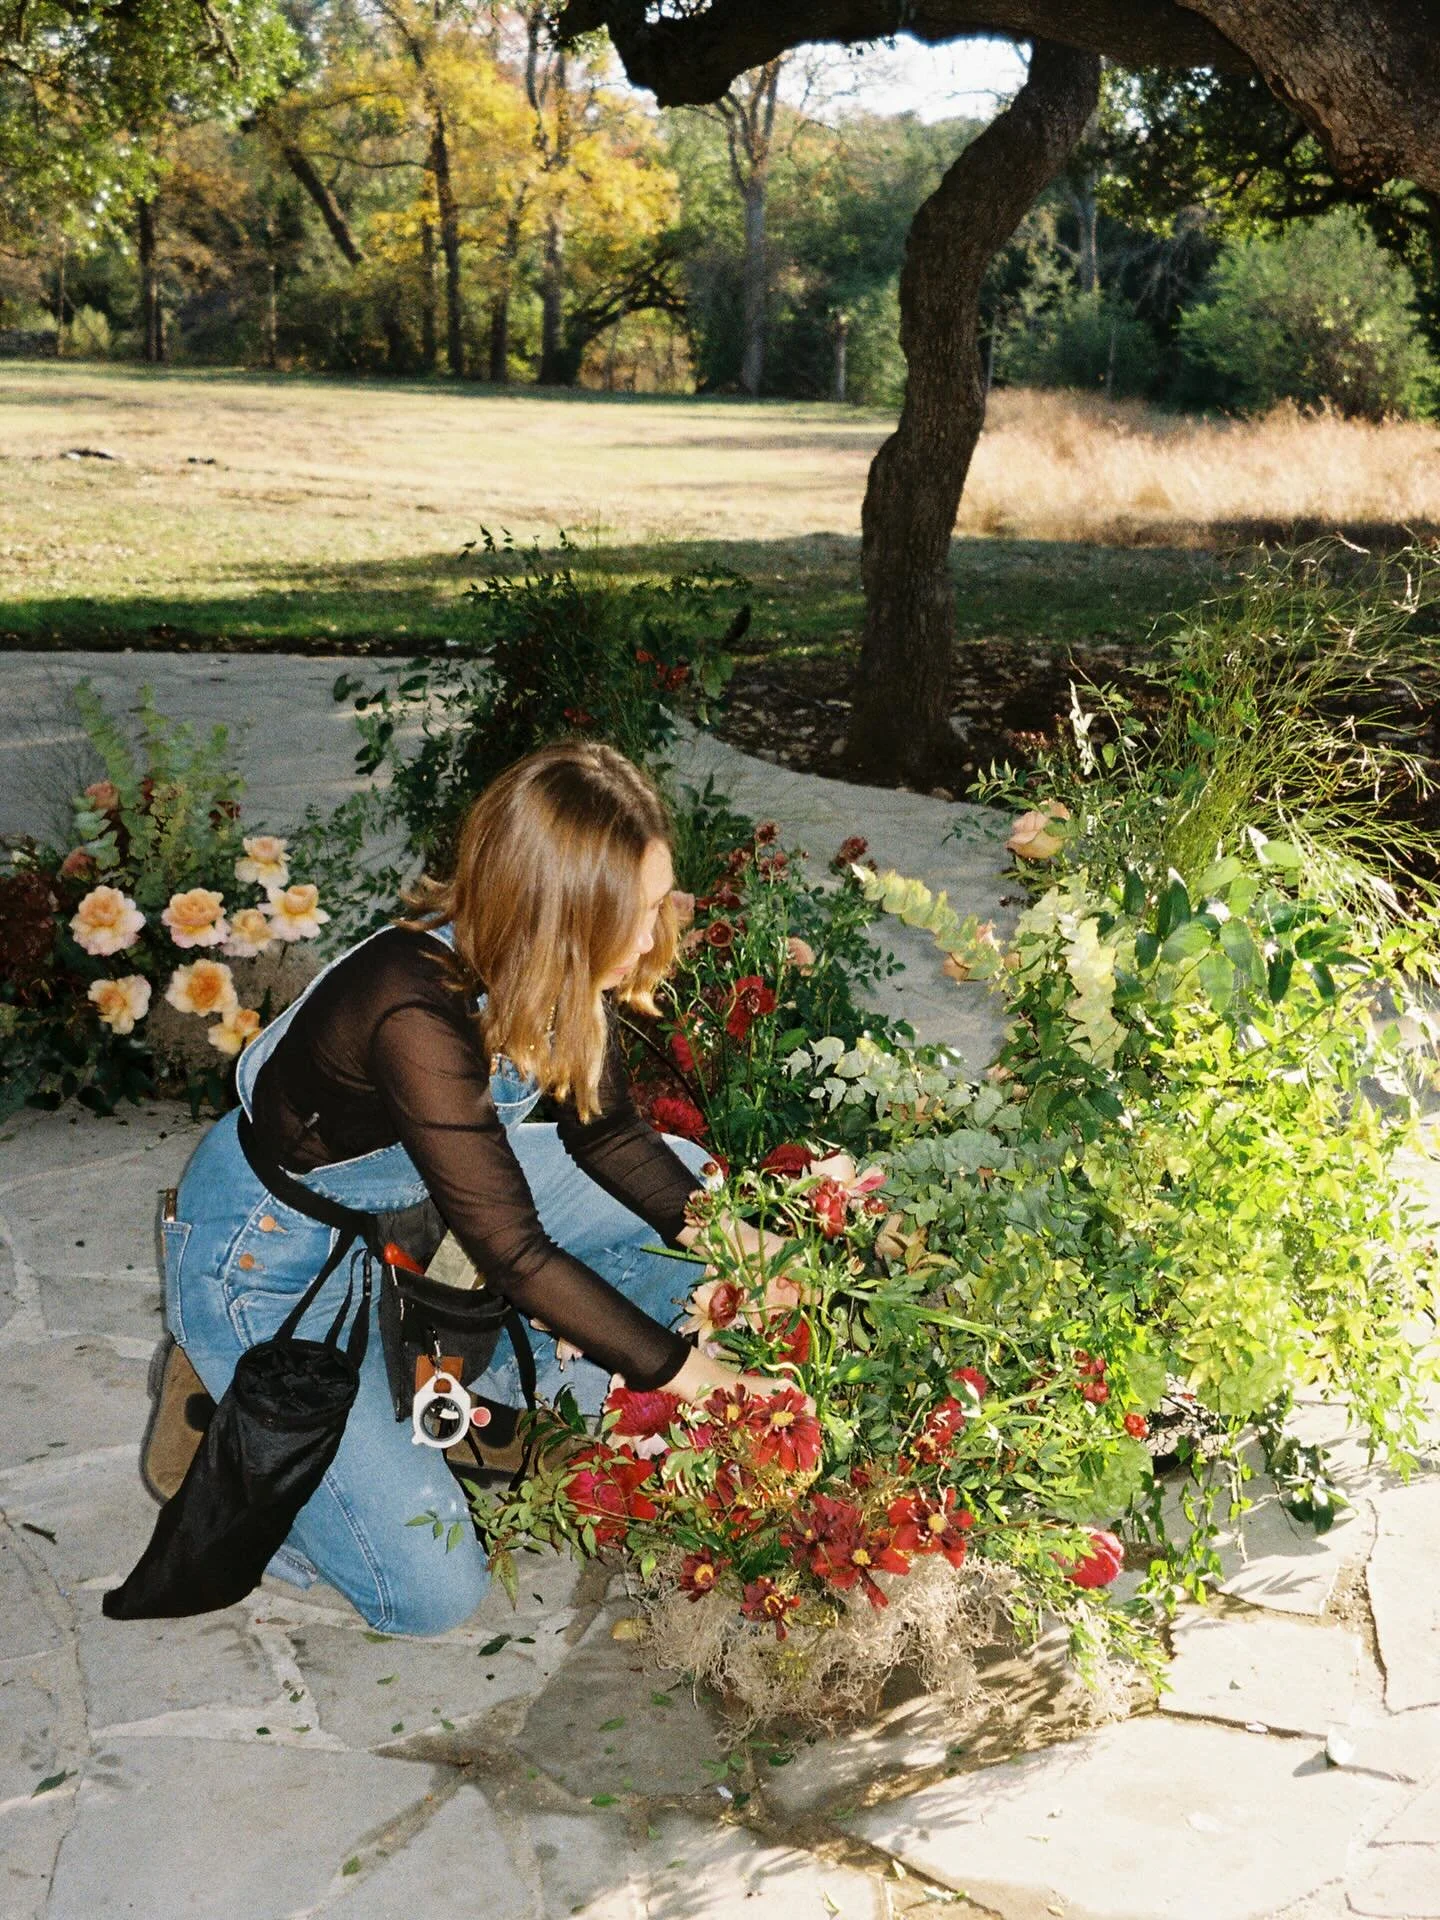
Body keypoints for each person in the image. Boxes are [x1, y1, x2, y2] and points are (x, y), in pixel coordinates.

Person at [161, 742, 790, 1635]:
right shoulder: (411, 1008)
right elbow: (515, 1250)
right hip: (268, 1255)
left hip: (408, 1207)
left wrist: (751, 1249)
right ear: (558, 909)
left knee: (688, 1188)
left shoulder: (554, 963)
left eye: (657, 907)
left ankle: (489, 1368)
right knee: (430, 1593)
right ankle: (242, 1415)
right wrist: (704, 1377)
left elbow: (607, 1135)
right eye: (634, 915)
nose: (651, 941)